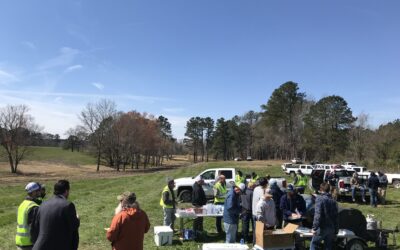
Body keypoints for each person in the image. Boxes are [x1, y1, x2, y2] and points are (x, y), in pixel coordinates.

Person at [32, 179, 80, 250]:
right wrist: (77, 219)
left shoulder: (43, 204)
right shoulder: (68, 205)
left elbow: (35, 228)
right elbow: (74, 226)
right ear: (66, 191)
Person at [310, 182, 339, 250]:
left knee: (314, 243)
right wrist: (336, 231)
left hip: (322, 227)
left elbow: (318, 214)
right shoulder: (333, 201)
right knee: (328, 246)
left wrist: (314, 228)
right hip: (331, 228)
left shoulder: (320, 198)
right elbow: (336, 217)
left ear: (321, 189)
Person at [16, 182, 42, 250]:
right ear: (33, 192)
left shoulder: (22, 204)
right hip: (29, 244)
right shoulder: (33, 207)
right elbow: (34, 228)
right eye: (38, 190)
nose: (40, 192)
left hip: (20, 242)